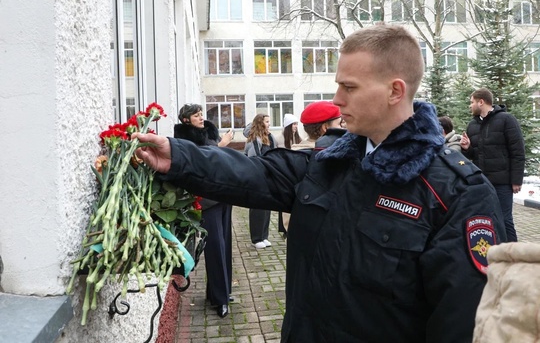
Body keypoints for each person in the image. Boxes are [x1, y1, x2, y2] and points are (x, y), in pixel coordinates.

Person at [133, 24, 507, 342]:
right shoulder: (332, 163)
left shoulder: (457, 194)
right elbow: (254, 173)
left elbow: (465, 325)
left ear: (395, 90)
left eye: (350, 87)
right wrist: (178, 156)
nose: (336, 99)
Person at [174, 104, 234, 318]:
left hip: (223, 195)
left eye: (201, 114)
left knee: (225, 245)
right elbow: (200, 162)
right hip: (206, 201)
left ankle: (222, 291)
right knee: (215, 246)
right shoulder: (185, 139)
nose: (201, 117)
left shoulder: (207, 133)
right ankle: (220, 301)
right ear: (185, 119)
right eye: (196, 115)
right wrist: (222, 144)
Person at [460, 87, 525, 242]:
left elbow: (518, 151)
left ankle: (513, 257)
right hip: (483, 183)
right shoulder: (472, 125)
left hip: (502, 182)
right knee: (486, 221)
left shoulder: (506, 120)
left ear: (481, 102)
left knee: (504, 219)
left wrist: (516, 180)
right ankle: (494, 255)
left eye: (472, 102)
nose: (470, 106)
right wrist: (467, 148)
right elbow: (474, 156)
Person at [244, 114, 276, 249]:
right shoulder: (253, 139)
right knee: (257, 207)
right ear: (260, 123)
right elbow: (254, 158)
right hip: (257, 176)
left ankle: (264, 236)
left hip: (269, 175)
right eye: (267, 121)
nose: (269, 124)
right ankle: (256, 238)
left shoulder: (270, 137)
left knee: (267, 206)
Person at [275, 113, 302, 237]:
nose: (296, 127)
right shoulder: (279, 139)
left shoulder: (298, 138)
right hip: (284, 173)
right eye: (293, 124)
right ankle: (285, 228)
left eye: (297, 124)